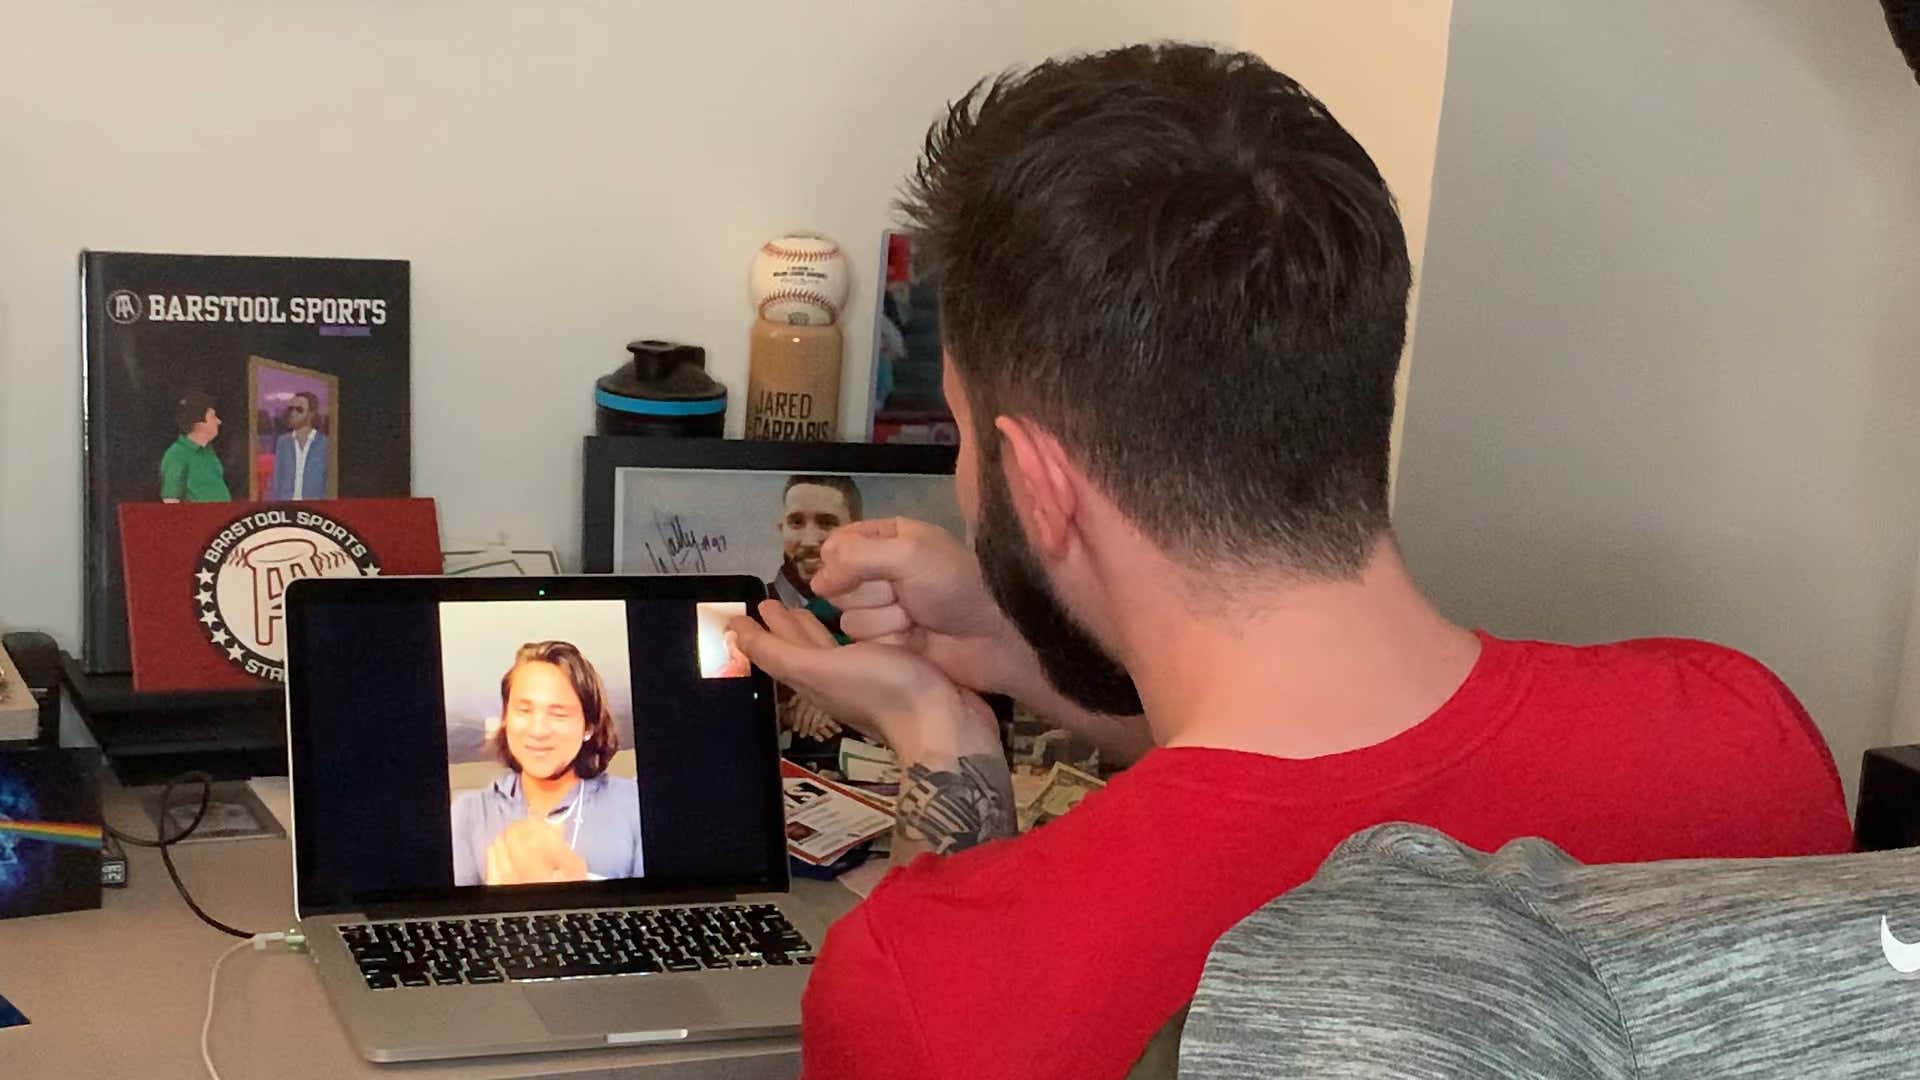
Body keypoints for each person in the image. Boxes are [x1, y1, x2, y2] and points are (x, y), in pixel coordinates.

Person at [723, 43, 1853, 1080]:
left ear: (1037, 483)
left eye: (967, 439)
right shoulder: (1740, 738)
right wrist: (1035, 656)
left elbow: (1038, 942)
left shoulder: (930, 984)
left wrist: (944, 741)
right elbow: (1303, 787)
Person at [450, 641, 643, 886]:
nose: (538, 730)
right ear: (506, 717)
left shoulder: (634, 804)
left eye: (558, 714)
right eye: (524, 710)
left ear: (588, 727)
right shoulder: (468, 813)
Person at [766, 475, 863, 742]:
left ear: (857, 530)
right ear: (781, 528)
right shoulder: (749, 610)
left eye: (827, 523)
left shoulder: (886, 616)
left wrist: (840, 698)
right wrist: (784, 714)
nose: (809, 540)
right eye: (796, 522)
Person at [158, 389, 231, 503]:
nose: (219, 421)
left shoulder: (208, 452)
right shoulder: (176, 455)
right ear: (198, 421)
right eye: (213, 417)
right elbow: (170, 502)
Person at [268, 391, 330, 501]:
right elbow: (277, 479)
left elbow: (327, 480)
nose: (293, 413)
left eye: (299, 409)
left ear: (311, 414)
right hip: (286, 505)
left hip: (315, 507)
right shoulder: (283, 442)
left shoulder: (324, 443)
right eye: (291, 409)